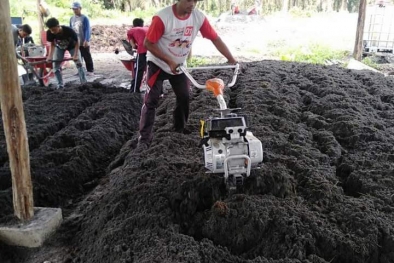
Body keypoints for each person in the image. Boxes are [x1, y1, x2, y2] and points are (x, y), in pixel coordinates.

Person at [137, 0, 237, 149]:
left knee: (184, 96)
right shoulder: (163, 18)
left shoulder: (198, 17)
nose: (193, 4)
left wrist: (231, 59)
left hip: (179, 66)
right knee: (151, 100)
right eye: (189, 0)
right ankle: (144, 139)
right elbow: (148, 43)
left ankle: (179, 128)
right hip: (158, 64)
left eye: (195, 1)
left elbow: (215, 38)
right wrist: (169, 61)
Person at [45, 17, 87, 89]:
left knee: (79, 63)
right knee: (55, 66)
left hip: (72, 46)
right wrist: (50, 56)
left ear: (58, 26)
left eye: (54, 30)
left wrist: (75, 54)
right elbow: (52, 44)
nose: (52, 32)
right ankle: (60, 85)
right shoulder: (49, 32)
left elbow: (77, 41)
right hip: (59, 47)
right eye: (51, 30)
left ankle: (84, 84)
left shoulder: (68, 30)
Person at [70, 2, 94, 76]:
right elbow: (70, 29)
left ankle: (90, 70)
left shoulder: (84, 18)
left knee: (86, 55)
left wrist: (86, 40)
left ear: (80, 8)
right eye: (73, 9)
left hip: (83, 40)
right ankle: (80, 70)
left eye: (76, 9)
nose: (75, 10)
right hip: (76, 41)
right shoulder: (72, 18)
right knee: (78, 56)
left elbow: (87, 29)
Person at [127, 18, 148, 93]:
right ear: (142, 24)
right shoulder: (147, 28)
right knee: (152, 70)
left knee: (139, 70)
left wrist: (134, 46)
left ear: (134, 25)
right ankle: (159, 92)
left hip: (142, 50)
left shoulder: (131, 30)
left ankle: (135, 91)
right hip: (153, 51)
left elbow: (133, 45)